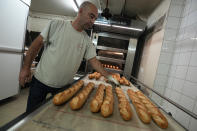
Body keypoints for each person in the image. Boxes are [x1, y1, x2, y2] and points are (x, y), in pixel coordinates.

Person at [19, 1, 119, 113]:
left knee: (55, 117)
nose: (93, 21)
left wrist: (109, 77)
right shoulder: (57, 24)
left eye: (95, 18)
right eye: (91, 16)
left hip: (64, 88)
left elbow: (94, 61)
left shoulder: (86, 40)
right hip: (40, 82)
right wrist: (25, 68)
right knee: (31, 114)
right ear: (80, 11)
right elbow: (35, 45)